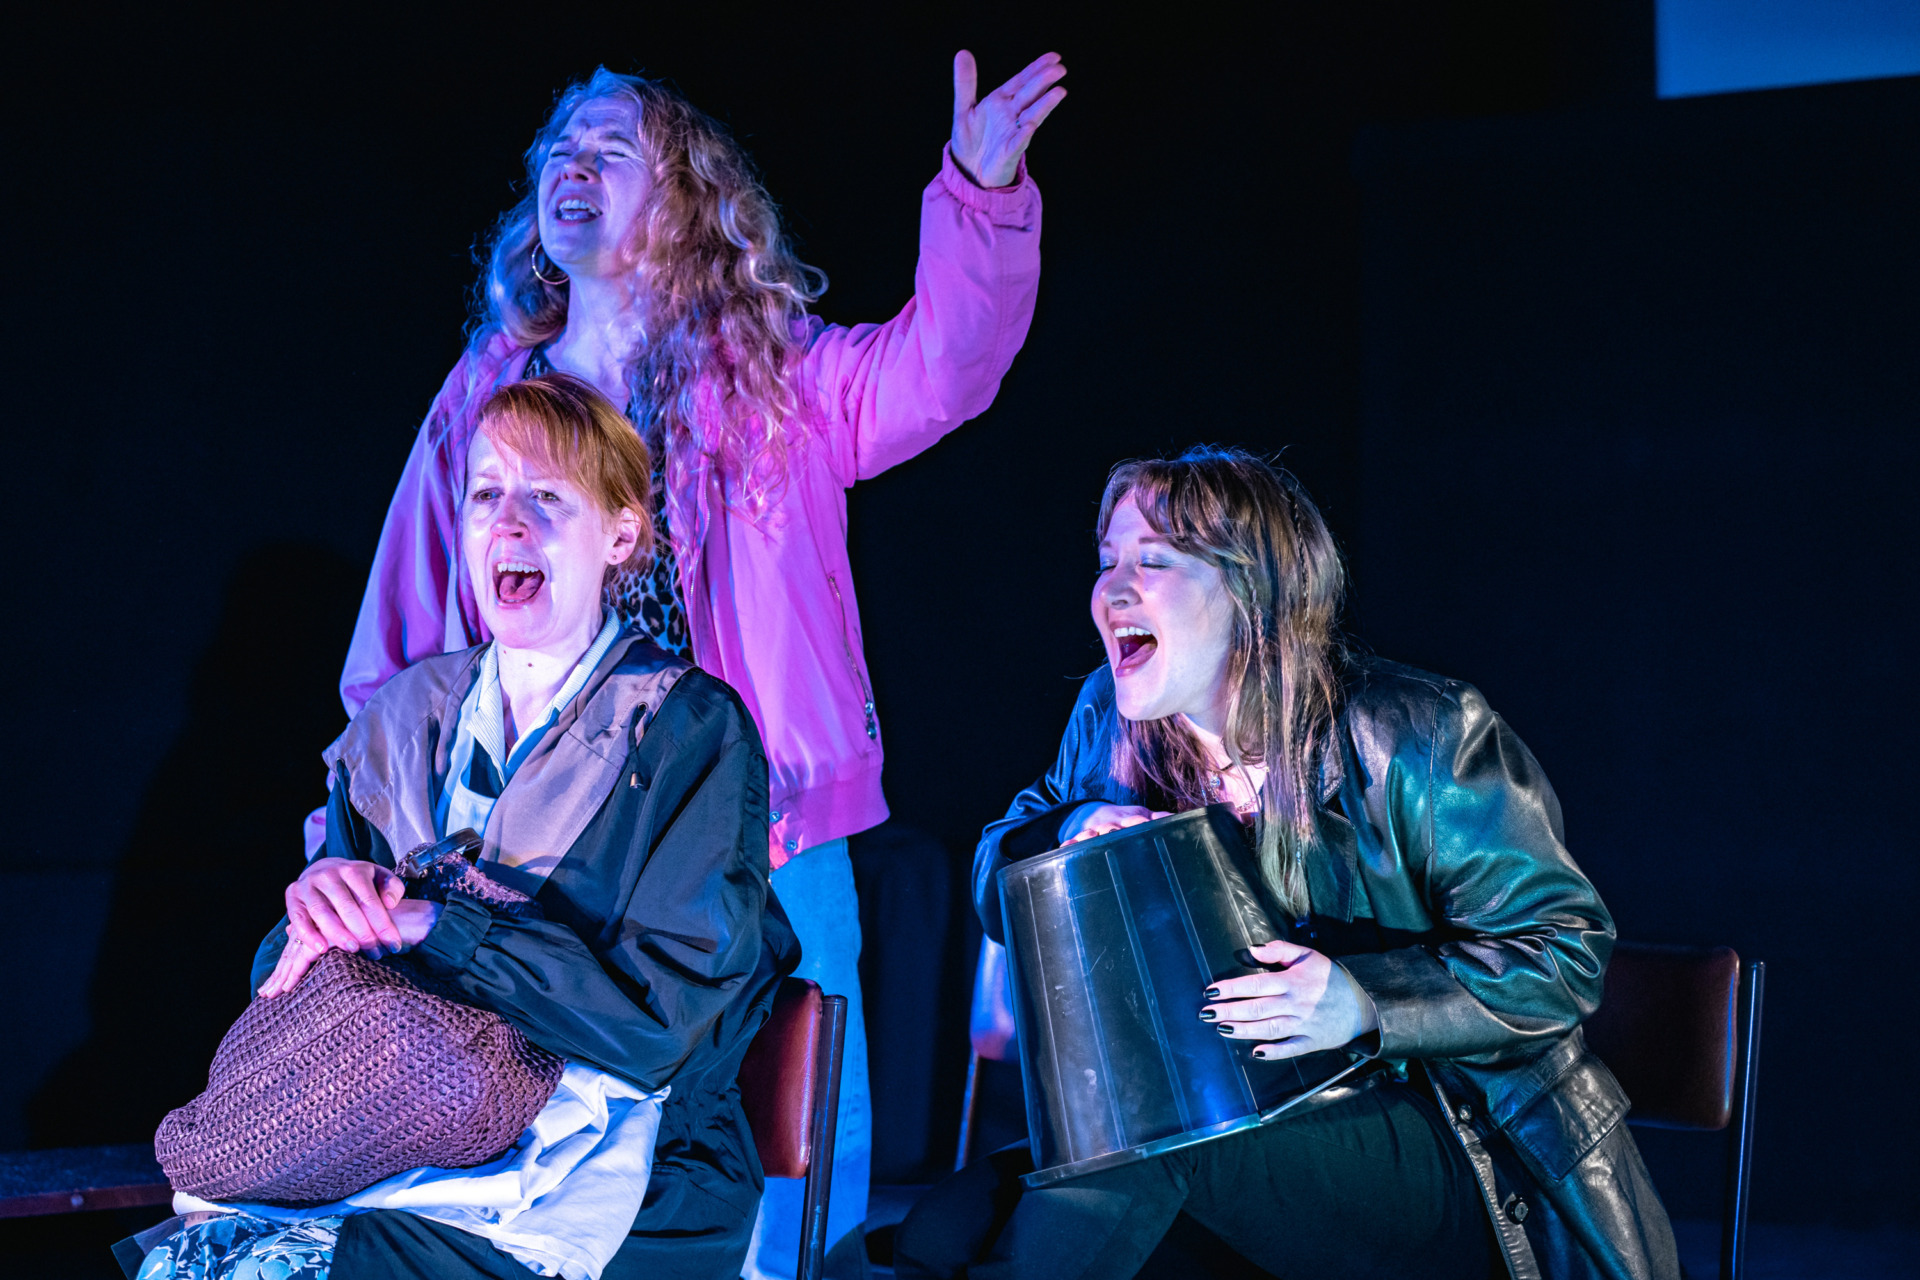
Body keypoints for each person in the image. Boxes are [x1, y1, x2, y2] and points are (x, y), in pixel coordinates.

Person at [332, 53, 1063, 1275]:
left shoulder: (770, 379)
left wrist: (979, 194)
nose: (574, 167)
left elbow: (942, 367)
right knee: (552, 1166)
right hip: (541, 848)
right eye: (559, 153)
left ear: (684, 199)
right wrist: (355, 848)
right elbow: (398, 653)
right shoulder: (488, 399)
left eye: (612, 149)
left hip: (767, 824)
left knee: (797, 1168)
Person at [895, 447, 1680, 1280]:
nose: (1112, 589)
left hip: (1455, 1141)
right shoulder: (1109, 723)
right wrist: (1076, 827)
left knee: (1145, 1157)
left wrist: (1362, 1001)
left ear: (1250, 593)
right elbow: (998, 879)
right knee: (947, 1229)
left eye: (1153, 562)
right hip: (1239, 1125)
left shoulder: (1420, 734)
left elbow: (1562, 948)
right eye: (1107, 561)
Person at [140, 375, 798, 1280]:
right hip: (411, 1135)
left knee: (341, 1269)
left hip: (640, 1168)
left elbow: (659, 1024)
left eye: (547, 497)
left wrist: (436, 922)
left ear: (619, 534)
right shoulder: (404, 719)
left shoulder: (687, 731)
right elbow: (291, 992)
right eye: (488, 494)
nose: (508, 523)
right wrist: (320, 911)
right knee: (212, 1261)